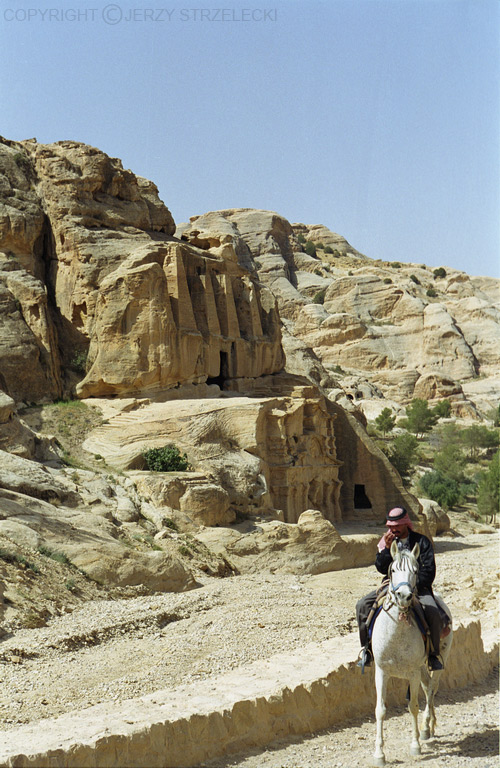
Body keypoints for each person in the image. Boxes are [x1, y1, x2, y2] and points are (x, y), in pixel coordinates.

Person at [356, 506, 444, 671]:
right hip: (392, 586)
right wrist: (387, 551)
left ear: (406, 524)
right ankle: (367, 650)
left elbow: (429, 571)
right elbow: (381, 568)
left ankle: (433, 655)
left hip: (417, 587)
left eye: (396, 526)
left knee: (432, 612)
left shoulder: (422, 542)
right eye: (390, 526)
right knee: (362, 606)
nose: (392, 529)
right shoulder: (386, 543)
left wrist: (410, 586)